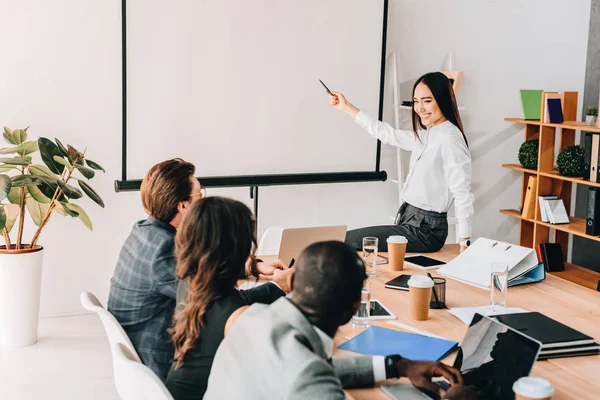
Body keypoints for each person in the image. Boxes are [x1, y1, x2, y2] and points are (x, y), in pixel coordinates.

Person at [204, 241, 480, 400]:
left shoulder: (252, 318)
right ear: (355, 307)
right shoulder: (307, 376)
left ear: (293, 282)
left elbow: (314, 369)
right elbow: (310, 374)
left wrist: (399, 365)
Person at [107, 159, 287, 381]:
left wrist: (253, 266)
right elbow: (216, 303)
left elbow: (200, 266)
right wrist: (279, 287)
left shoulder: (145, 231)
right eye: (199, 195)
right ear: (183, 206)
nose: (203, 199)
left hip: (142, 350)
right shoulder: (164, 250)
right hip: (160, 363)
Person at [164, 197, 294, 399]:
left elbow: (233, 299)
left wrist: (274, 283)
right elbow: (289, 371)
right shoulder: (236, 316)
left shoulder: (190, 280)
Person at [330, 72, 474, 253]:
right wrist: (347, 107)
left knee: (349, 240)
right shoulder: (428, 134)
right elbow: (385, 133)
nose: (420, 108)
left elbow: (462, 193)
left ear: (442, 100)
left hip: (426, 230)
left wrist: (465, 243)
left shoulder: (450, 138)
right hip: (409, 218)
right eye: (416, 101)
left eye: (427, 101)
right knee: (354, 244)